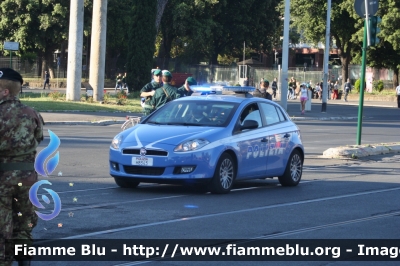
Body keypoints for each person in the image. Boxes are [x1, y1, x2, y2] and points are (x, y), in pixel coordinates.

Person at [0, 68, 44, 266]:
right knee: (24, 223)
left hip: (2, 179)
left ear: (5, 91)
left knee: (2, 228)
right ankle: (24, 262)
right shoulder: (32, 113)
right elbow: (39, 138)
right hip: (27, 179)